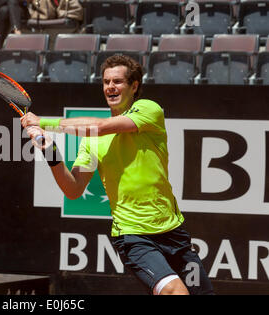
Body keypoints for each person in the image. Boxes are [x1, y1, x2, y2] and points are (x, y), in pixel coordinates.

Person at [20, 55, 214, 295]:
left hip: (173, 232)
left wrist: (43, 122)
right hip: (133, 236)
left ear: (134, 86)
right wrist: (51, 152)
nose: (110, 87)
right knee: (175, 293)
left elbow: (100, 127)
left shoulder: (149, 110)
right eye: (106, 82)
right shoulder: (91, 142)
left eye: (118, 81)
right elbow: (73, 189)